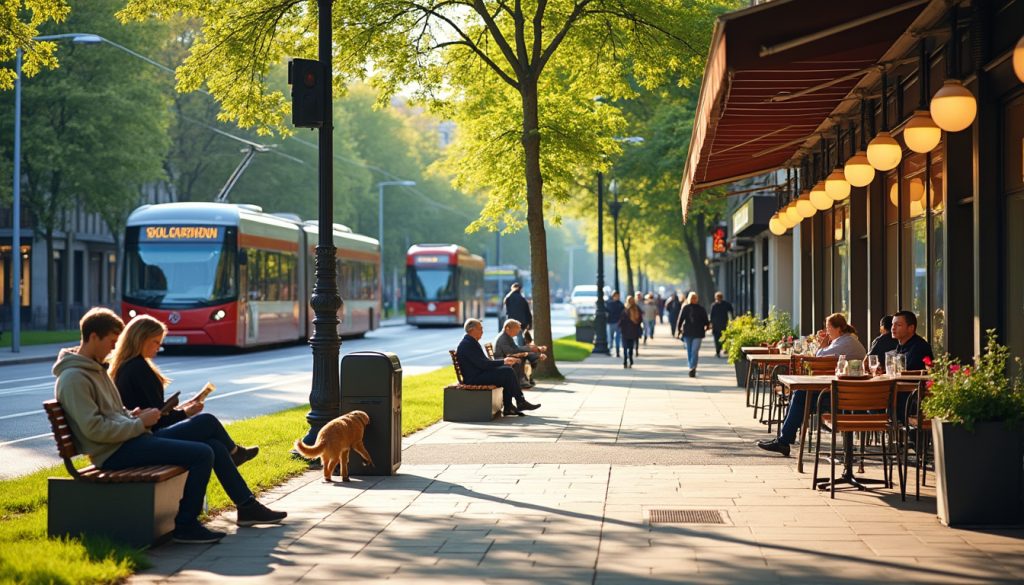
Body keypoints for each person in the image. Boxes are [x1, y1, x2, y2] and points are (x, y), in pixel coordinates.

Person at [53, 308, 286, 545]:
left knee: (213, 446)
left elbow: (112, 414)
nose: (113, 349)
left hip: (129, 441)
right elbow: (95, 429)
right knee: (203, 452)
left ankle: (246, 506)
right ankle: (186, 525)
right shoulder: (75, 378)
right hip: (113, 453)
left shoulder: (93, 369)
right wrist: (138, 423)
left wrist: (132, 416)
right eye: (111, 342)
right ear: (93, 337)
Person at [110, 315, 259, 464]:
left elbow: (155, 409)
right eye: (155, 342)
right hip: (148, 437)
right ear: (140, 339)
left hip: (143, 435)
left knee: (215, 446)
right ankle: (236, 453)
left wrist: (181, 408)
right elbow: (158, 420)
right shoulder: (138, 368)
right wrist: (186, 413)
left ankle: (237, 461)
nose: (158, 348)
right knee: (208, 421)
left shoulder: (126, 366)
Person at [757, 313, 867, 457]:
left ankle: (784, 441)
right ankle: (783, 440)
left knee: (801, 394)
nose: (827, 331)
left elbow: (819, 356)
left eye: (828, 328)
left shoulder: (845, 343)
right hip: (845, 391)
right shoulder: (844, 340)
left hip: (844, 396)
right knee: (800, 394)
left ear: (839, 328)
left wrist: (822, 344)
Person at [457, 318, 540, 416]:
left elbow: (484, 363)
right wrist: (503, 361)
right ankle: (518, 402)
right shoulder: (467, 344)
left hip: (478, 373)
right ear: (471, 330)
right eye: (480, 329)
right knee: (507, 372)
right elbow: (483, 364)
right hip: (474, 378)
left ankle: (511, 406)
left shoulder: (470, 342)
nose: (482, 331)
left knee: (507, 370)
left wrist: (504, 362)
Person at [493, 318, 548, 388]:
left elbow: (515, 349)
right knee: (520, 358)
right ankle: (520, 381)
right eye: (516, 329)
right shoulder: (503, 338)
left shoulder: (507, 336)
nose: (518, 331)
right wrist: (530, 348)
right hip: (501, 360)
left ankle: (522, 380)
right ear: (507, 328)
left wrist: (531, 349)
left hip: (506, 357)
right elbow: (511, 351)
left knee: (523, 356)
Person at [676, 292, 710, 378]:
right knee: (689, 351)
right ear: (689, 299)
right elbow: (680, 319)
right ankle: (691, 366)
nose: (693, 299)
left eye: (695, 298)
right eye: (692, 298)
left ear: (697, 299)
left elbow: (705, 319)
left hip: (698, 332)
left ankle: (692, 367)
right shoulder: (686, 308)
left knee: (694, 350)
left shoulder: (701, 309)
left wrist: (707, 326)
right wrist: (678, 330)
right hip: (687, 332)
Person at [618, 296, 643, 368]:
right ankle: (631, 359)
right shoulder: (637, 309)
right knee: (631, 347)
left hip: (625, 332)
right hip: (633, 332)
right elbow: (640, 319)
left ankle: (625, 361)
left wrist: (619, 326)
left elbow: (621, 321)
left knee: (625, 347)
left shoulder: (625, 310)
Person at [709, 292, 735, 359]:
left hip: (723, 324)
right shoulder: (714, 305)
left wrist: (732, 319)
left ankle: (722, 349)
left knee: (723, 338)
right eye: (717, 297)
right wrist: (711, 324)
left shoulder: (725, 304)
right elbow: (711, 315)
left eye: (719, 297)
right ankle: (718, 351)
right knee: (716, 339)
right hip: (716, 325)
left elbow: (731, 310)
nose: (718, 299)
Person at [606, 291, 625, 358]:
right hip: (611, 322)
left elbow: (623, 314)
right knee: (610, 338)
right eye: (616, 296)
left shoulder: (620, 304)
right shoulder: (609, 304)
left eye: (618, 296)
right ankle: (610, 349)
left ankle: (617, 351)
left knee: (617, 338)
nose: (617, 297)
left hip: (618, 323)